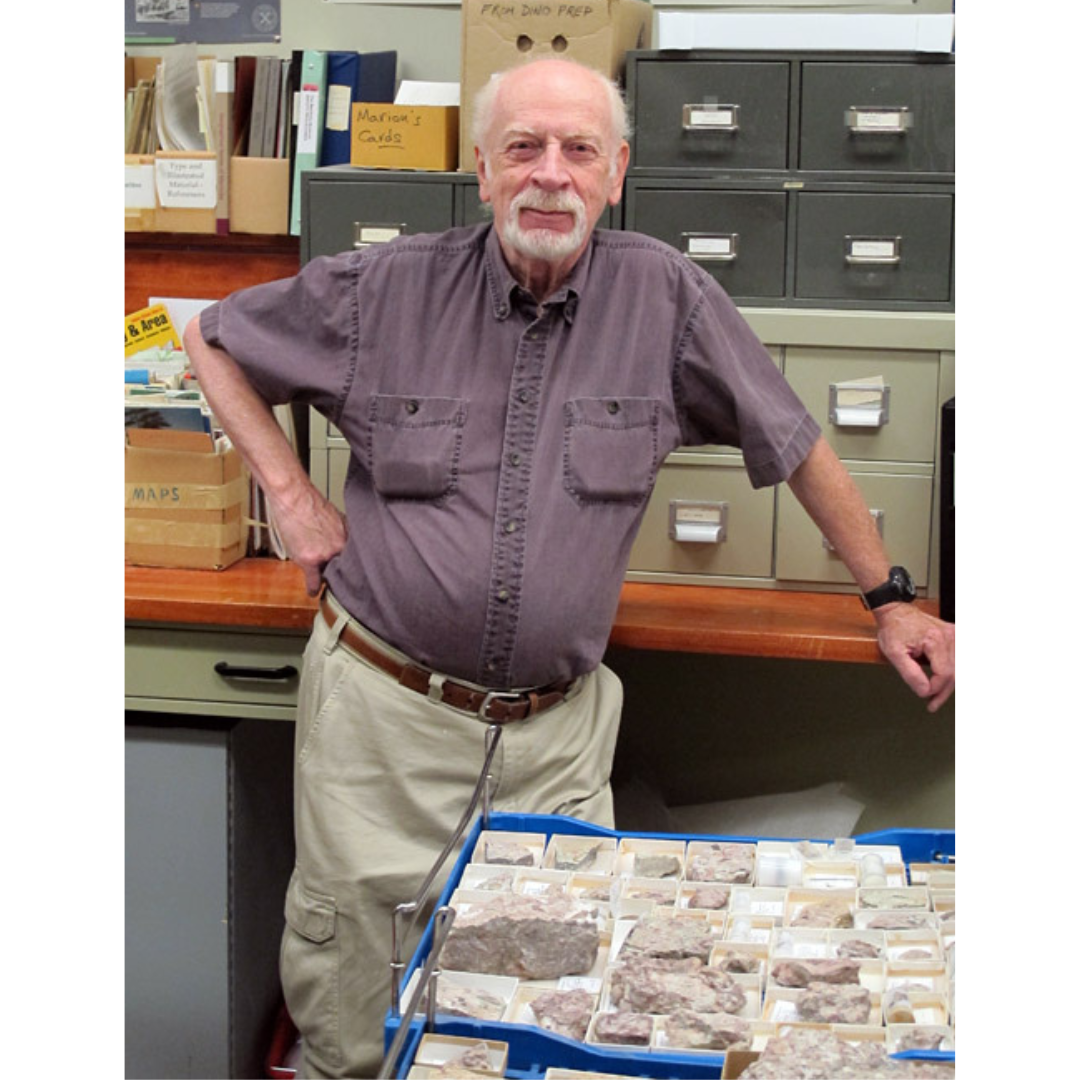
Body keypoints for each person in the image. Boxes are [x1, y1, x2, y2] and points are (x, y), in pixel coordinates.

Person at [185, 57, 955, 1079]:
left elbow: (797, 442)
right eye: (524, 148)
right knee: (360, 1005)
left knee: (548, 1020)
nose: (552, 175)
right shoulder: (383, 289)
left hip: (554, 739)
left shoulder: (668, 299)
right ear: (483, 169)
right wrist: (288, 490)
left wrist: (890, 600)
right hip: (385, 721)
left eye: (579, 150)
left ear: (617, 171)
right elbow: (210, 335)